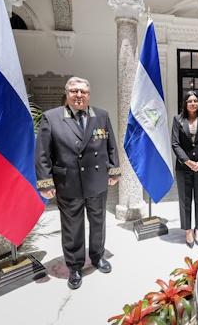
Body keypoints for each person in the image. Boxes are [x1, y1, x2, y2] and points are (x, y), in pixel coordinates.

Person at [35, 77, 120, 289]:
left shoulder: (101, 115)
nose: (79, 95)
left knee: (98, 222)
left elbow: (111, 145)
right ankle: (74, 266)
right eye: (74, 91)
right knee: (72, 228)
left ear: (89, 95)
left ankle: (98, 256)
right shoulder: (51, 118)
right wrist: (45, 183)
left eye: (83, 91)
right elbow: (43, 154)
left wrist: (114, 170)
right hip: (68, 183)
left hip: (96, 181)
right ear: (67, 94)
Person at [171, 91, 198, 248]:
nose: (193, 103)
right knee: (185, 199)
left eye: (195, 100)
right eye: (190, 101)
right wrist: (188, 162)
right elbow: (175, 143)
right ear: (185, 103)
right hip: (183, 167)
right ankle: (188, 230)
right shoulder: (178, 120)